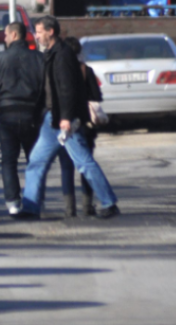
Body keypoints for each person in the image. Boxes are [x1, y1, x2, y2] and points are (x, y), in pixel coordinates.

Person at [18, 16, 120, 219]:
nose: (36, 36)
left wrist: (66, 117)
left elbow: (67, 89)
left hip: (63, 120)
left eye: (39, 32)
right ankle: (30, 207)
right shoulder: (51, 54)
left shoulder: (63, 55)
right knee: (36, 162)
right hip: (51, 120)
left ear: (51, 32)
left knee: (83, 162)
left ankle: (109, 203)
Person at [0, 22, 44, 215]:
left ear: (14, 35)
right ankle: (35, 201)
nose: (4, 38)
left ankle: (13, 204)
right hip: (32, 115)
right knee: (34, 161)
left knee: (9, 161)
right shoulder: (39, 58)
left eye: (6, 35)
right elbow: (46, 87)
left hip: (7, 116)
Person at [59, 36, 101, 216]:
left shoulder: (58, 70)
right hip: (84, 124)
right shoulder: (86, 70)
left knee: (66, 167)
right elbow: (96, 97)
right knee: (86, 165)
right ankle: (87, 206)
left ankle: (69, 208)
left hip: (64, 123)